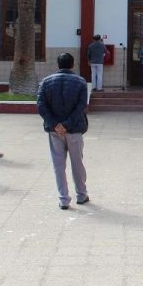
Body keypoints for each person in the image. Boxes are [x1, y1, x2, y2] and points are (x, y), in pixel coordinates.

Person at [37, 53, 90, 210]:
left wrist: (55, 125)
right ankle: (81, 194)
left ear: (58, 65)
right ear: (72, 65)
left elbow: (41, 106)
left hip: (55, 131)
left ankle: (63, 199)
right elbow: (81, 107)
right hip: (74, 129)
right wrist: (66, 124)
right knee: (77, 163)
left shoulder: (46, 82)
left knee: (58, 165)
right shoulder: (80, 82)